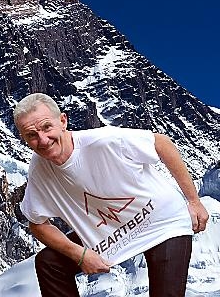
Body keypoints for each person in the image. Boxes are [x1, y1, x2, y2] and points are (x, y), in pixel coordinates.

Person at [14, 93, 209, 297]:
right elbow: (37, 224)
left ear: (63, 121)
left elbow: (161, 143)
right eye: (32, 135)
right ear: (23, 138)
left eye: (47, 127)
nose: (43, 140)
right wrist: (79, 255)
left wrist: (194, 201)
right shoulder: (39, 169)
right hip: (110, 233)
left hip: (161, 222)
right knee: (49, 262)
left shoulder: (101, 141)